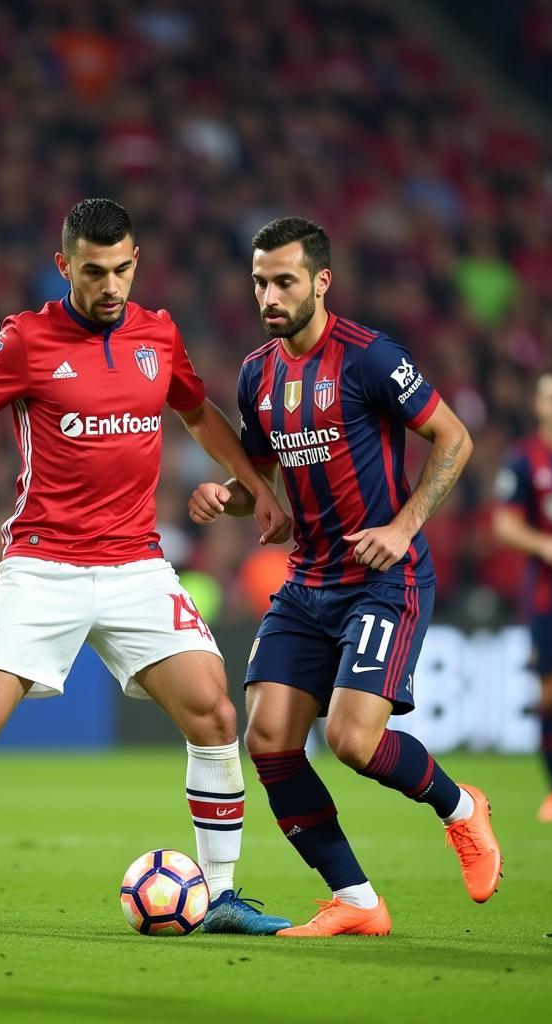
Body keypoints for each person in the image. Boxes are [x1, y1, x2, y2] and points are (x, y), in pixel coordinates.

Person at [0, 198, 294, 935]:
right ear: (65, 266)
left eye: (122, 268)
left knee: (215, 713)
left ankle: (219, 895)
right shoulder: (25, 339)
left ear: (136, 261)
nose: (111, 285)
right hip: (41, 568)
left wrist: (259, 487)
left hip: (136, 566)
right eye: (94, 271)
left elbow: (199, 412)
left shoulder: (158, 333)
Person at [189, 216, 502, 937]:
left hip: (382, 579)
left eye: (285, 281)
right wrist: (224, 495)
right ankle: (357, 901)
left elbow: (454, 438)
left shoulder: (369, 358)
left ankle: (462, 809)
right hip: (308, 582)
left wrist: (403, 527)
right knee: (267, 740)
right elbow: (259, 480)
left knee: (355, 742)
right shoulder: (255, 373)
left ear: (321, 282)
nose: (269, 294)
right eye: (261, 280)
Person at [493, 368, 552, 823]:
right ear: (539, 407)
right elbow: (504, 524)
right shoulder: (524, 458)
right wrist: (547, 544)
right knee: (549, 692)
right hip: (549, 596)